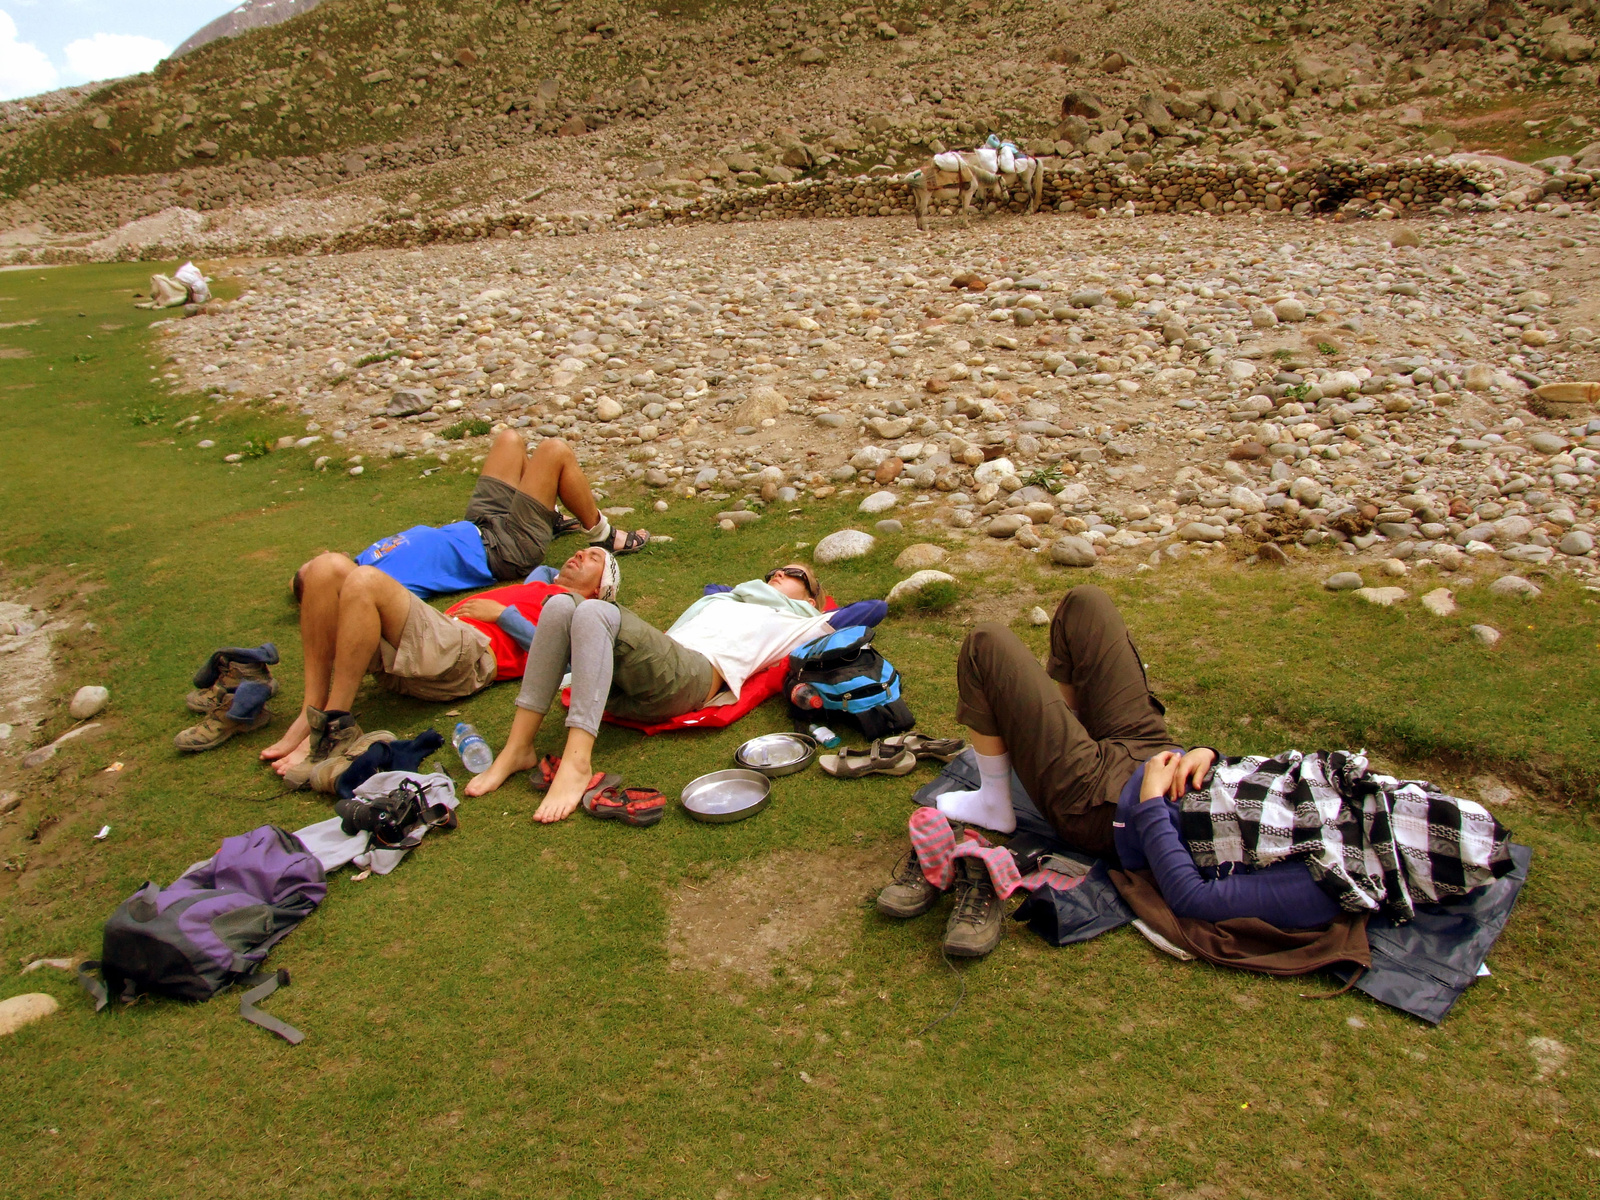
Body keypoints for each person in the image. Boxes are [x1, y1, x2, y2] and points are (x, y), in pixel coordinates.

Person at [465, 563, 887, 822]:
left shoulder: (805, 620)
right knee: (559, 605)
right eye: (774, 571)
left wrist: (823, 612)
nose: (779, 574)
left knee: (593, 608)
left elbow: (874, 609)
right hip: (627, 685)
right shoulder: (727, 601)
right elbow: (712, 590)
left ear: (813, 597)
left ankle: (577, 764)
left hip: (688, 676)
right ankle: (517, 749)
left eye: (795, 574)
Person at [258, 545, 619, 789]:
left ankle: (332, 727)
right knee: (326, 566)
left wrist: (503, 616)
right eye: (580, 550)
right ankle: (312, 713)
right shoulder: (542, 586)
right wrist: (553, 575)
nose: (578, 554)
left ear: (599, 590)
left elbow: (577, 660)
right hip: (431, 646)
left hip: (468, 656)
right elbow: (542, 568)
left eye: (592, 559)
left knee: (365, 579)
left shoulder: (577, 609)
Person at [315, 431, 648, 600]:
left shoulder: (364, 559)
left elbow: (305, 579)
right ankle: (602, 533)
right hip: (502, 549)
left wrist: (320, 573)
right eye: (325, 568)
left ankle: (550, 518)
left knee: (509, 440)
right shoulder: (376, 584)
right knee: (554, 451)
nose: (328, 557)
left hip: (478, 523)